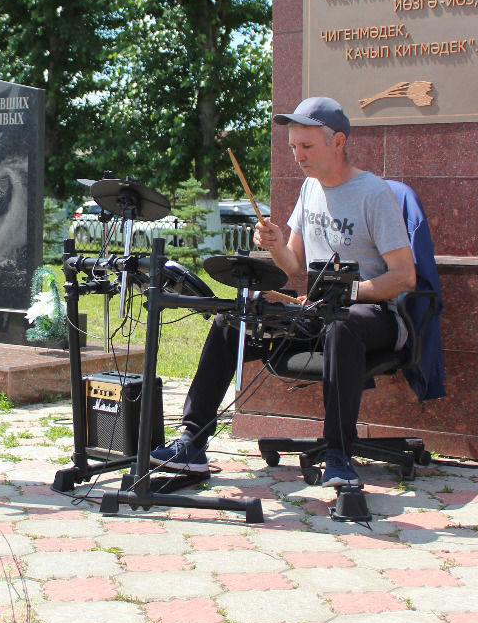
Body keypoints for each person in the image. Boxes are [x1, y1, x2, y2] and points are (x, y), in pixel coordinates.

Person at [151, 96, 416, 488]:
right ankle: (192, 441)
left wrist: (349, 294)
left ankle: (339, 455)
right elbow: (294, 265)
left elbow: (405, 277)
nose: (298, 156)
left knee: (343, 324)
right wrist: (274, 244)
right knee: (233, 319)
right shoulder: (310, 189)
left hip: (377, 315)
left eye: (306, 146)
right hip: (317, 312)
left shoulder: (374, 194)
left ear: (338, 142)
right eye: (293, 147)